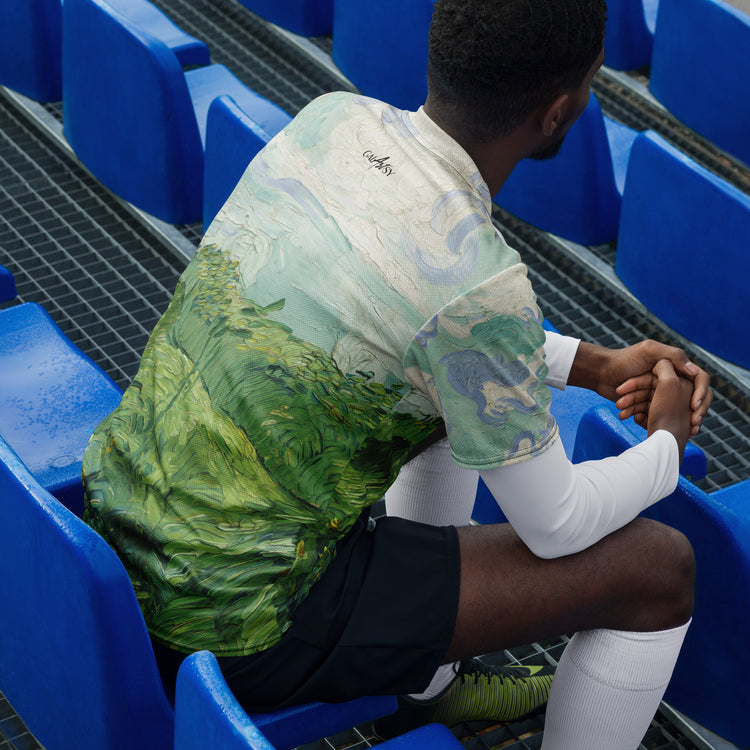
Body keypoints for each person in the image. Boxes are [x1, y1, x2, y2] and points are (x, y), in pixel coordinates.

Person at [81, 0, 712, 747]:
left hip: (122, 537)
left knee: (447, 403)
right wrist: (666, 445)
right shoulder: (478, 284)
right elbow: (556, 524)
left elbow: (419, 325)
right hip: (236, 621)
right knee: (657, 569)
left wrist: (590, 364)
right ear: (556, 113)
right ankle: (421, 684)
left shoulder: (332, 120)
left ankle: (428, 694)